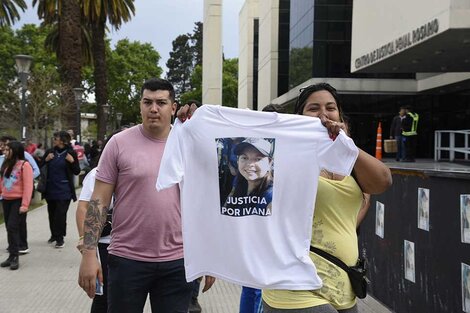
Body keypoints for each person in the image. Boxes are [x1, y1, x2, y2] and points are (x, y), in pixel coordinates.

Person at [78, 78, 214, 313]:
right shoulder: (118, 144)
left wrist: (210, 256)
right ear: (140, 105)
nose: (153, 109)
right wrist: (89, 254)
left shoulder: (190, 145)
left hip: (178, 261)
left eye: (161, 102)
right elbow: (98, 201)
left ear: (173, 108)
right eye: (147, 102)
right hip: (126, 259)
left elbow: (206, 204)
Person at [262, 83, 392, 313]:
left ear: (339, 115)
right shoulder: (284, 155)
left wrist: (345, 145)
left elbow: (382, 181)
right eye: (314, 108)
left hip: (342, 286)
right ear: (299, 118)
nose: (324, 114)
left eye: (330, 107)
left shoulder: (349, 160)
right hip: (295, 288)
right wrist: (182, 127)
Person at [76, 129, 124, 313]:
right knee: (103, 298)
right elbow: (83, 208)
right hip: (105, 244)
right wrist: (85, 243)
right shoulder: (98, 173)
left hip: (133, 246)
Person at [40, 130, 80, 248]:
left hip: (64, 190)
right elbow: (40, 166)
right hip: (51, 188)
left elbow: (77, 171)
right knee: (51, 213)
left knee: (60, 214)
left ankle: (60, 237)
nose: (54, 141)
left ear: (63, 141)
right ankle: (53, 234)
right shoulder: (50, 152)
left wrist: (72, 162)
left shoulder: (70, 153)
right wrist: (46, 160)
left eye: (56, 139)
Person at [0, 135, 40, 254]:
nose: (4, 151)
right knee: (9, 227)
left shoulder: (24, 164)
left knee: (13, 226)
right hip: (6, 199)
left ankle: (16, 253)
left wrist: (25, 204)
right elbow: (2, 181)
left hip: (17, 200)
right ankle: (12, 253)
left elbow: (28, 186)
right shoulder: (6, 164)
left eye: (7, 149)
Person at [223, 138, 274, 214]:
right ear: (238, 161)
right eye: (244, 157)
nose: (250, 164)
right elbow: (227, 205)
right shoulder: (239, 180)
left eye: (258, 159)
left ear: (269, 163)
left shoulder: (271, 196)